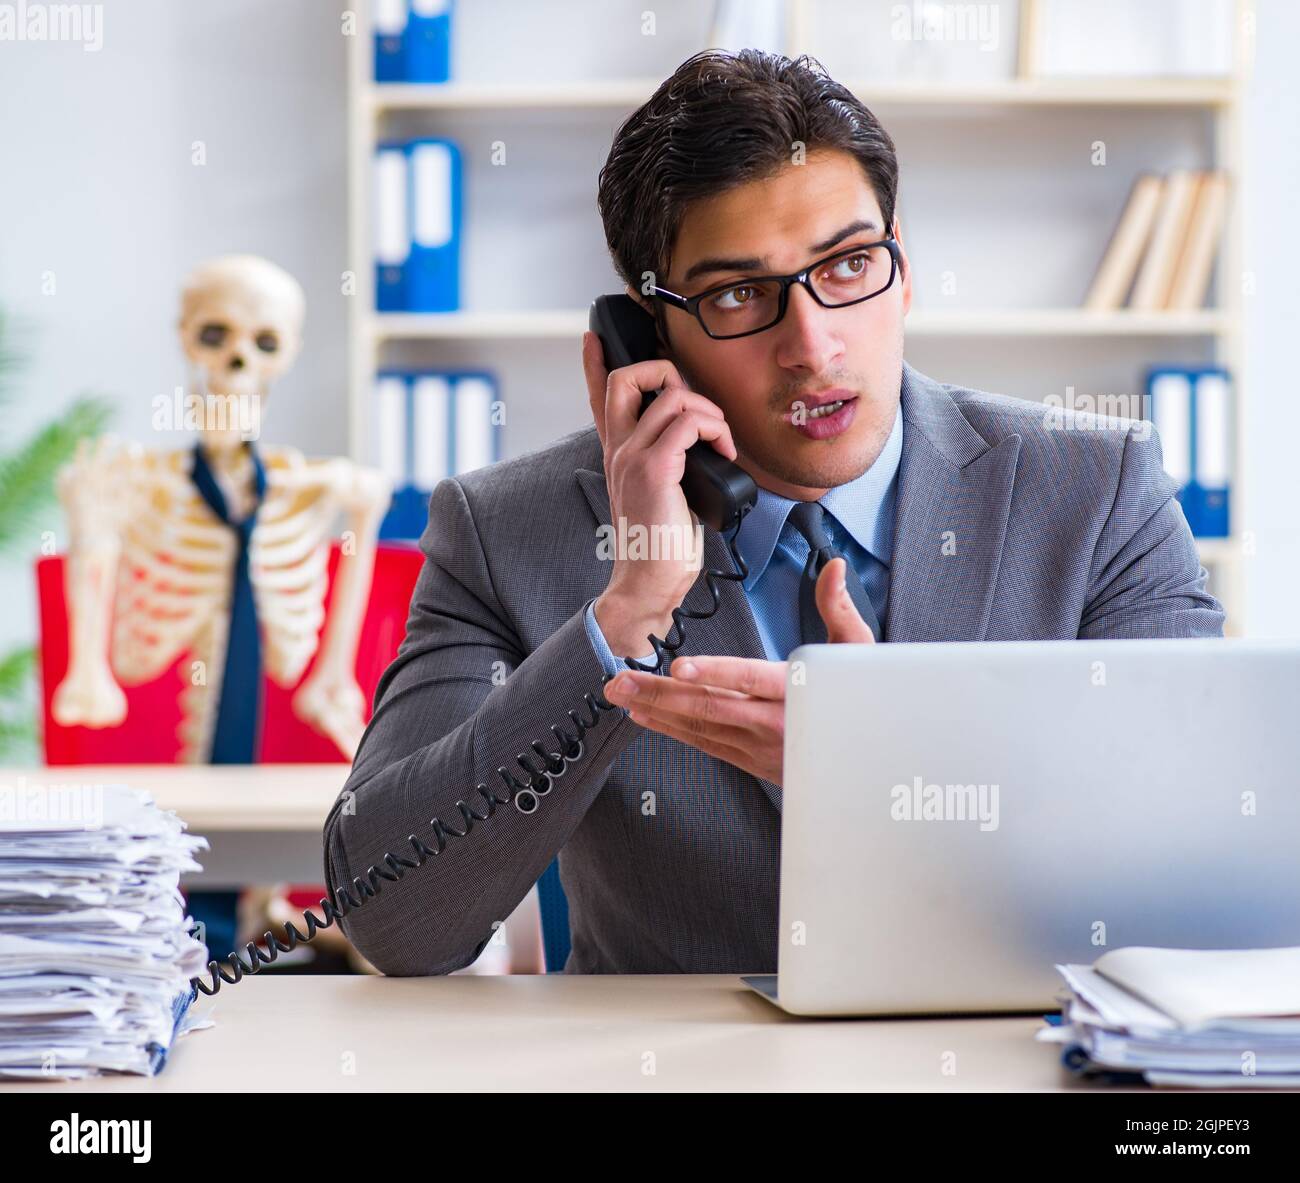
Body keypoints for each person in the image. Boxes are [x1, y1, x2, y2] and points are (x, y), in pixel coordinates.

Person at [323, 49, 1223, 977]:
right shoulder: (504, 529)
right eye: (740, 294)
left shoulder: (1097, 489)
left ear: (903, 266)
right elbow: (395, 921)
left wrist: (891, 771)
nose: (812, 343)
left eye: (848, 265)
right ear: (645, 331)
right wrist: (627, 608)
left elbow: (1209, 865)